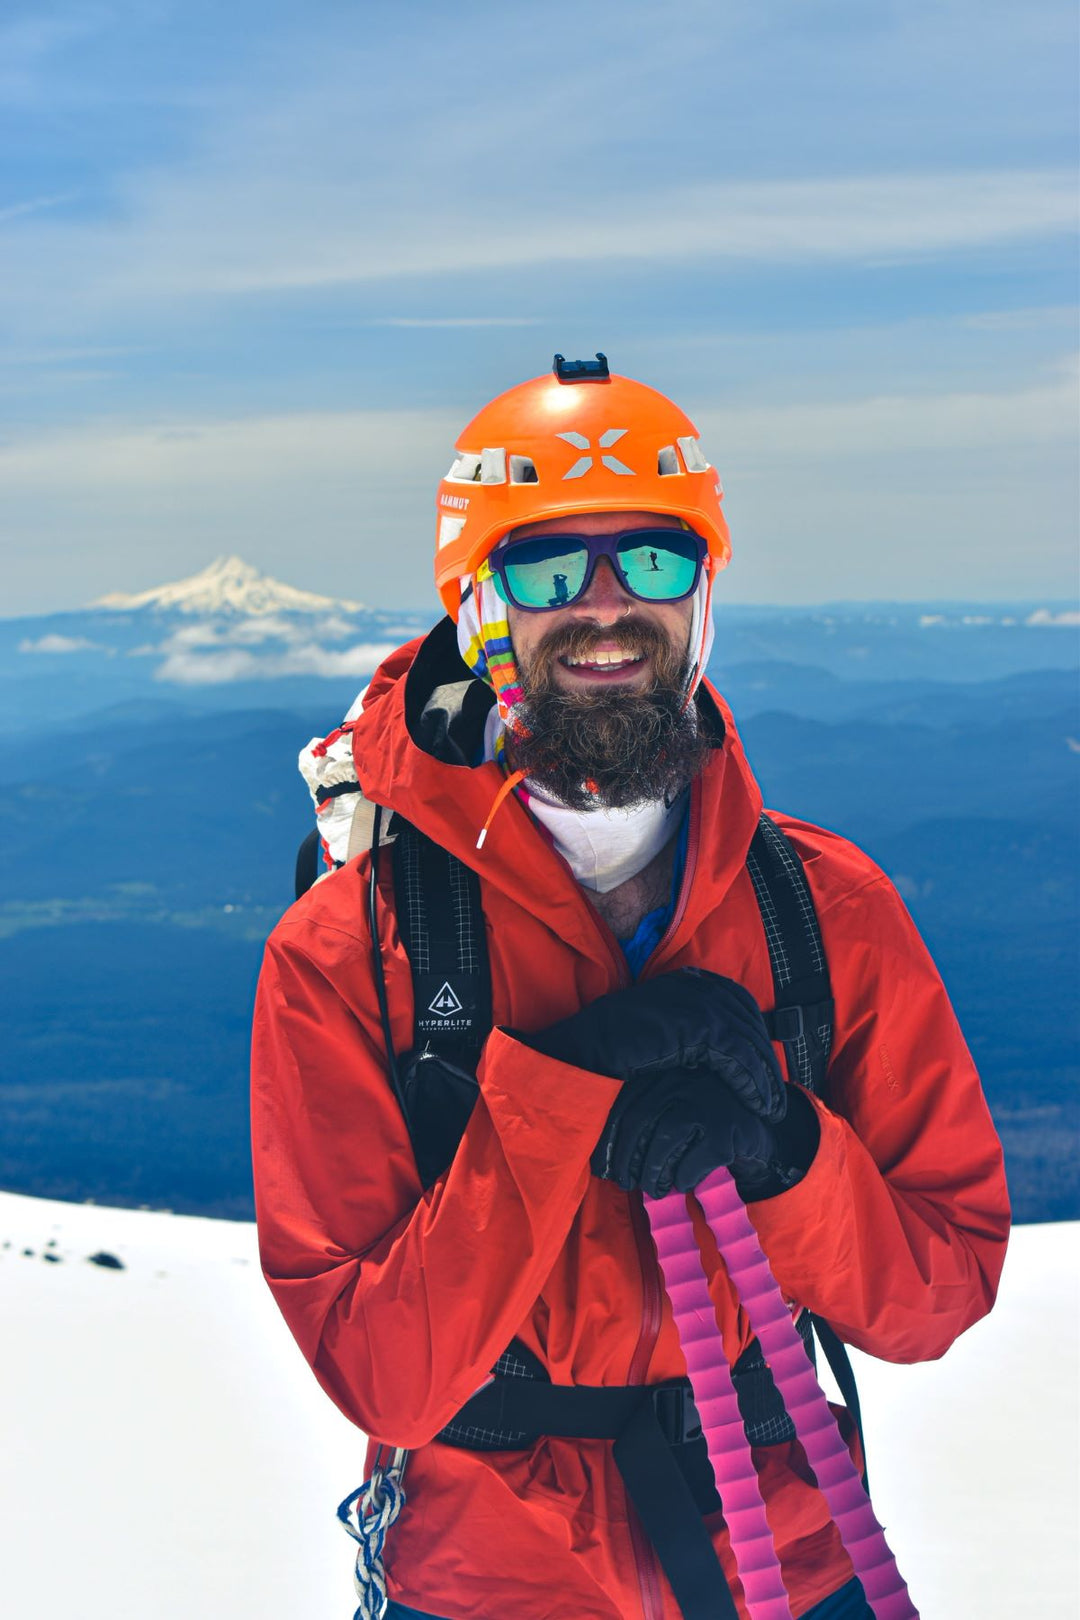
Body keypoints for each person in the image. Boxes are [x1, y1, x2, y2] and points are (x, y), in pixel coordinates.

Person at [251, 356, 1010, 1620]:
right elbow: (386, 1376)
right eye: (550, 569)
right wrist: (564, 1089)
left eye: (651, 561)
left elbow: (939, 1290)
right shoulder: (352, 953)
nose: (607, 609)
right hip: (494, 1575)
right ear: (479, 606)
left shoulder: (825, 911)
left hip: (789, 1548)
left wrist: (784, 1156)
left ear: (702, 591)